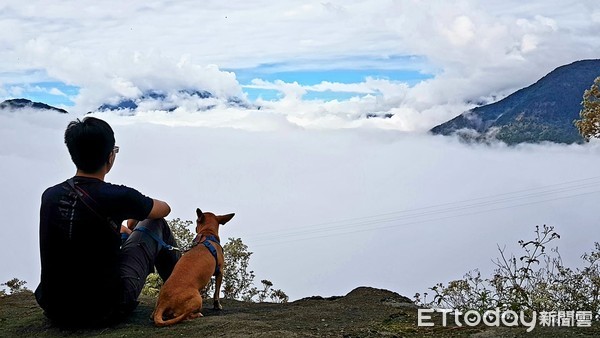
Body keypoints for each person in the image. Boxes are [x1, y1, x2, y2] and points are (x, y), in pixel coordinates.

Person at [35, 116, 180, 327]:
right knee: (154, 224)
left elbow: (78, 230)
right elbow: (164, 209)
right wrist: (135, 215)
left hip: (54, 308)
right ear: (110, 156)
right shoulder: (119, 197)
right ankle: (178, 294)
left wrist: (119, 227)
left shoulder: (50, 195)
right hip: (104, 309)